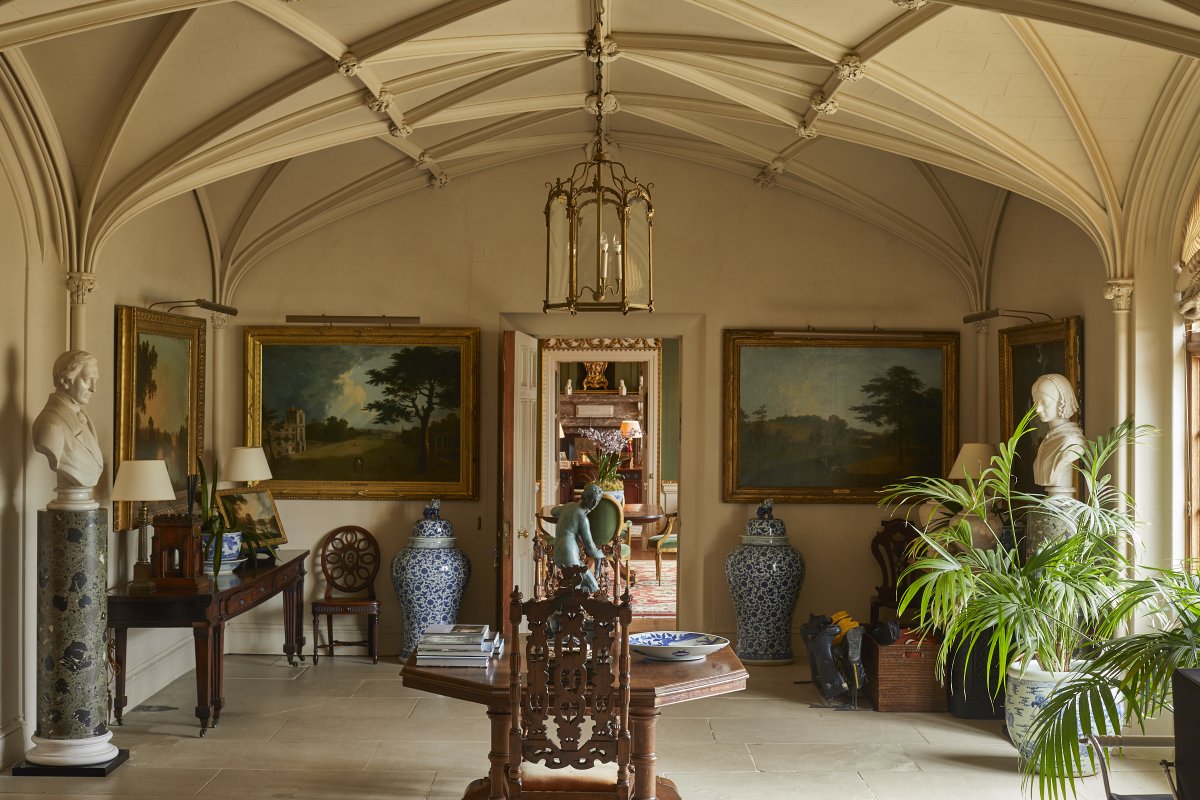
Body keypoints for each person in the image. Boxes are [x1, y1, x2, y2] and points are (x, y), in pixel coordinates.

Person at [32, 350, 104, 490]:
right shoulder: (50, 424)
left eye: (95, 381)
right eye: (87, 380)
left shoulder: (85, 417)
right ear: (65, 381)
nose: (93, 389)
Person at [1031, 373, 1086, 492]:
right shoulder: (1048, 440)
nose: (1037, 409)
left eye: (1044, 402)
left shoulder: (1071, 441)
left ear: (1062, 401)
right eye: (1036, 403)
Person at [552, 483, 605, 593]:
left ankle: (572, 607)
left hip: (559, 551)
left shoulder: (569, 506)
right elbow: (590, 548)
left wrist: (565, 512)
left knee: (576, 587)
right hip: (569, 553)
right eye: (592, 500)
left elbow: (553, 511)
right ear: (585, 497)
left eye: (598, 501)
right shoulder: (582, 518)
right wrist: (601, 553)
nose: (595, 504)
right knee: (591, 587)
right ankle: (571, 607)